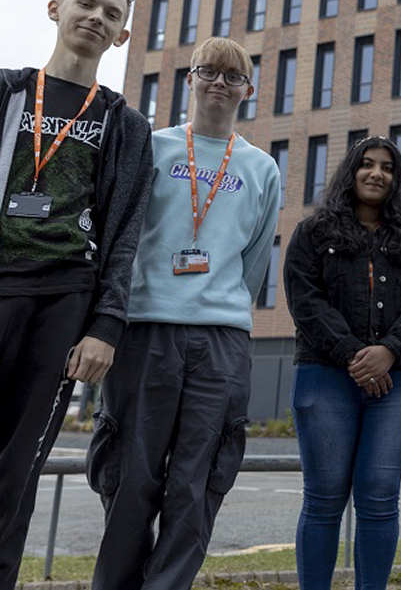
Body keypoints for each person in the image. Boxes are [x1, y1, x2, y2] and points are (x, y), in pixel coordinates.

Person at [88, 37, 280, 590]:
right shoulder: (153, 147)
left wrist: (213, 303)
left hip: (220, 340)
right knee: (130, 475)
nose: (219, 82)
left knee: (198, 481)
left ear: (249, 90)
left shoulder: (261, 168)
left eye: (232, 75)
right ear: (189, 80)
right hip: (146, 330)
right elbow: (121, 234)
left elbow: (254, 259)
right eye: (208, 72)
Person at [0, 0, 152, 588]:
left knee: (16, 473)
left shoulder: (124, 124)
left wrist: (105, 325)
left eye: (111, 13)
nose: (96, 16)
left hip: (64, 300)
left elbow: (126, 235)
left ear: (120, 36)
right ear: (55, 7)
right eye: (86, 4)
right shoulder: (8, 91)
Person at [283, 135, 401, 590]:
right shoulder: (314, 232)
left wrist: (388, 351)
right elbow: (304, 300)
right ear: (350, 172)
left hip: (396, 381)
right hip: (324, 375)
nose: (377, 173)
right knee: (324, 498)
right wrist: (356, 356)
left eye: (388, 167)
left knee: (379, 498)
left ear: (397, 179)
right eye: (367, 164)